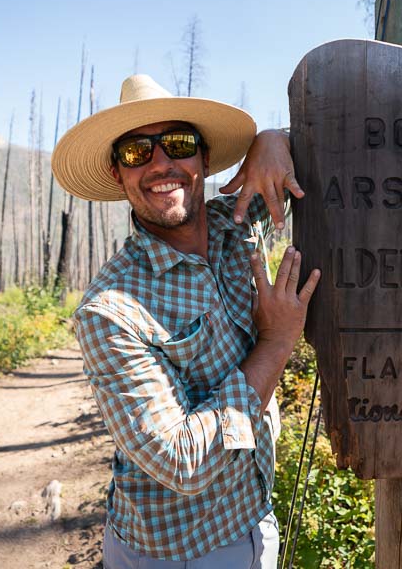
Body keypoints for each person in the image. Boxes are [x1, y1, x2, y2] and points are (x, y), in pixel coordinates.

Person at [51, 74, 320, 568]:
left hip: (254, 513)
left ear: (202, 158)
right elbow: (181, 461)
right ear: (118, 174)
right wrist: (277, 342)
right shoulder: (110, 311)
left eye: (177, 143)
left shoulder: (235, 223)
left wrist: (272, 140)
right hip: (175, 550)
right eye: (136, 152)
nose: (160, 164)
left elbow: (311, 146)